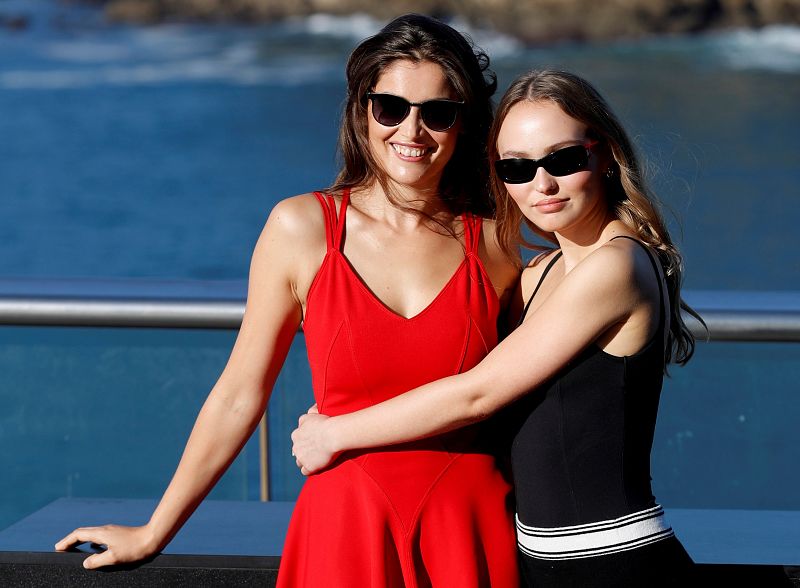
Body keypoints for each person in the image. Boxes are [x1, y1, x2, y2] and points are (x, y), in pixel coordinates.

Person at [55, 14, 521, 587]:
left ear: (465, 124)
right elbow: (239, 395)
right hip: (344, 528)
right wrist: (155, 530)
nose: (412, 129)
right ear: (362, 112)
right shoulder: (302, 228)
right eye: (391, 108)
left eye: (438, 112)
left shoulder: (500, 244)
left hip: (469, 529)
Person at [291, 69, 703, 587]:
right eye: (517, 168)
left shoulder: (616, 266)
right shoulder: (541, 271)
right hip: (540, 562)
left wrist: (335, 433)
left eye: (563, 160)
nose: (541, 185)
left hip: (614, 562)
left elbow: (477, 393)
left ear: (604, 155)